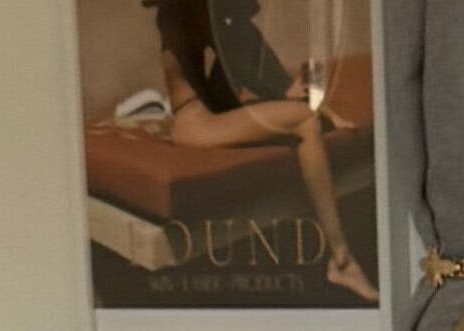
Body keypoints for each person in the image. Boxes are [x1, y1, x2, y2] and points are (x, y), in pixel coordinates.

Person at [147, 0, 377, 305]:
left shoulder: (203, 17)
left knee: (297, 102)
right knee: (305, 121)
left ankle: (318, 110)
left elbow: (240, 64)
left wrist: (288, 96)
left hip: (209, 115)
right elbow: (235, 67)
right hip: (196, 125)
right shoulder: (183, 13)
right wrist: (288, 99)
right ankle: (342, 260)